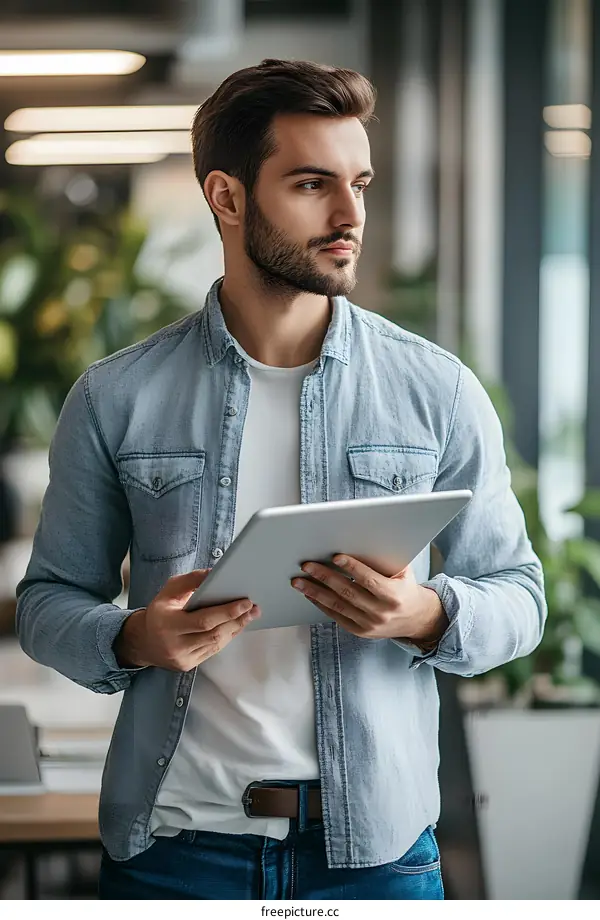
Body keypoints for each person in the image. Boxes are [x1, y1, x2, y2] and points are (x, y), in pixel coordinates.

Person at [16, 59, 546, 901]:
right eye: (312, 184)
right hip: (175, 849)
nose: (350, 216)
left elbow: (520, 596)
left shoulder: (436, 390)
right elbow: (47, 603)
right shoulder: (116, 396)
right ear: (226, 197)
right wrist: (133, 640)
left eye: (360, 184)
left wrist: (427, 614)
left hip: (375, 855)